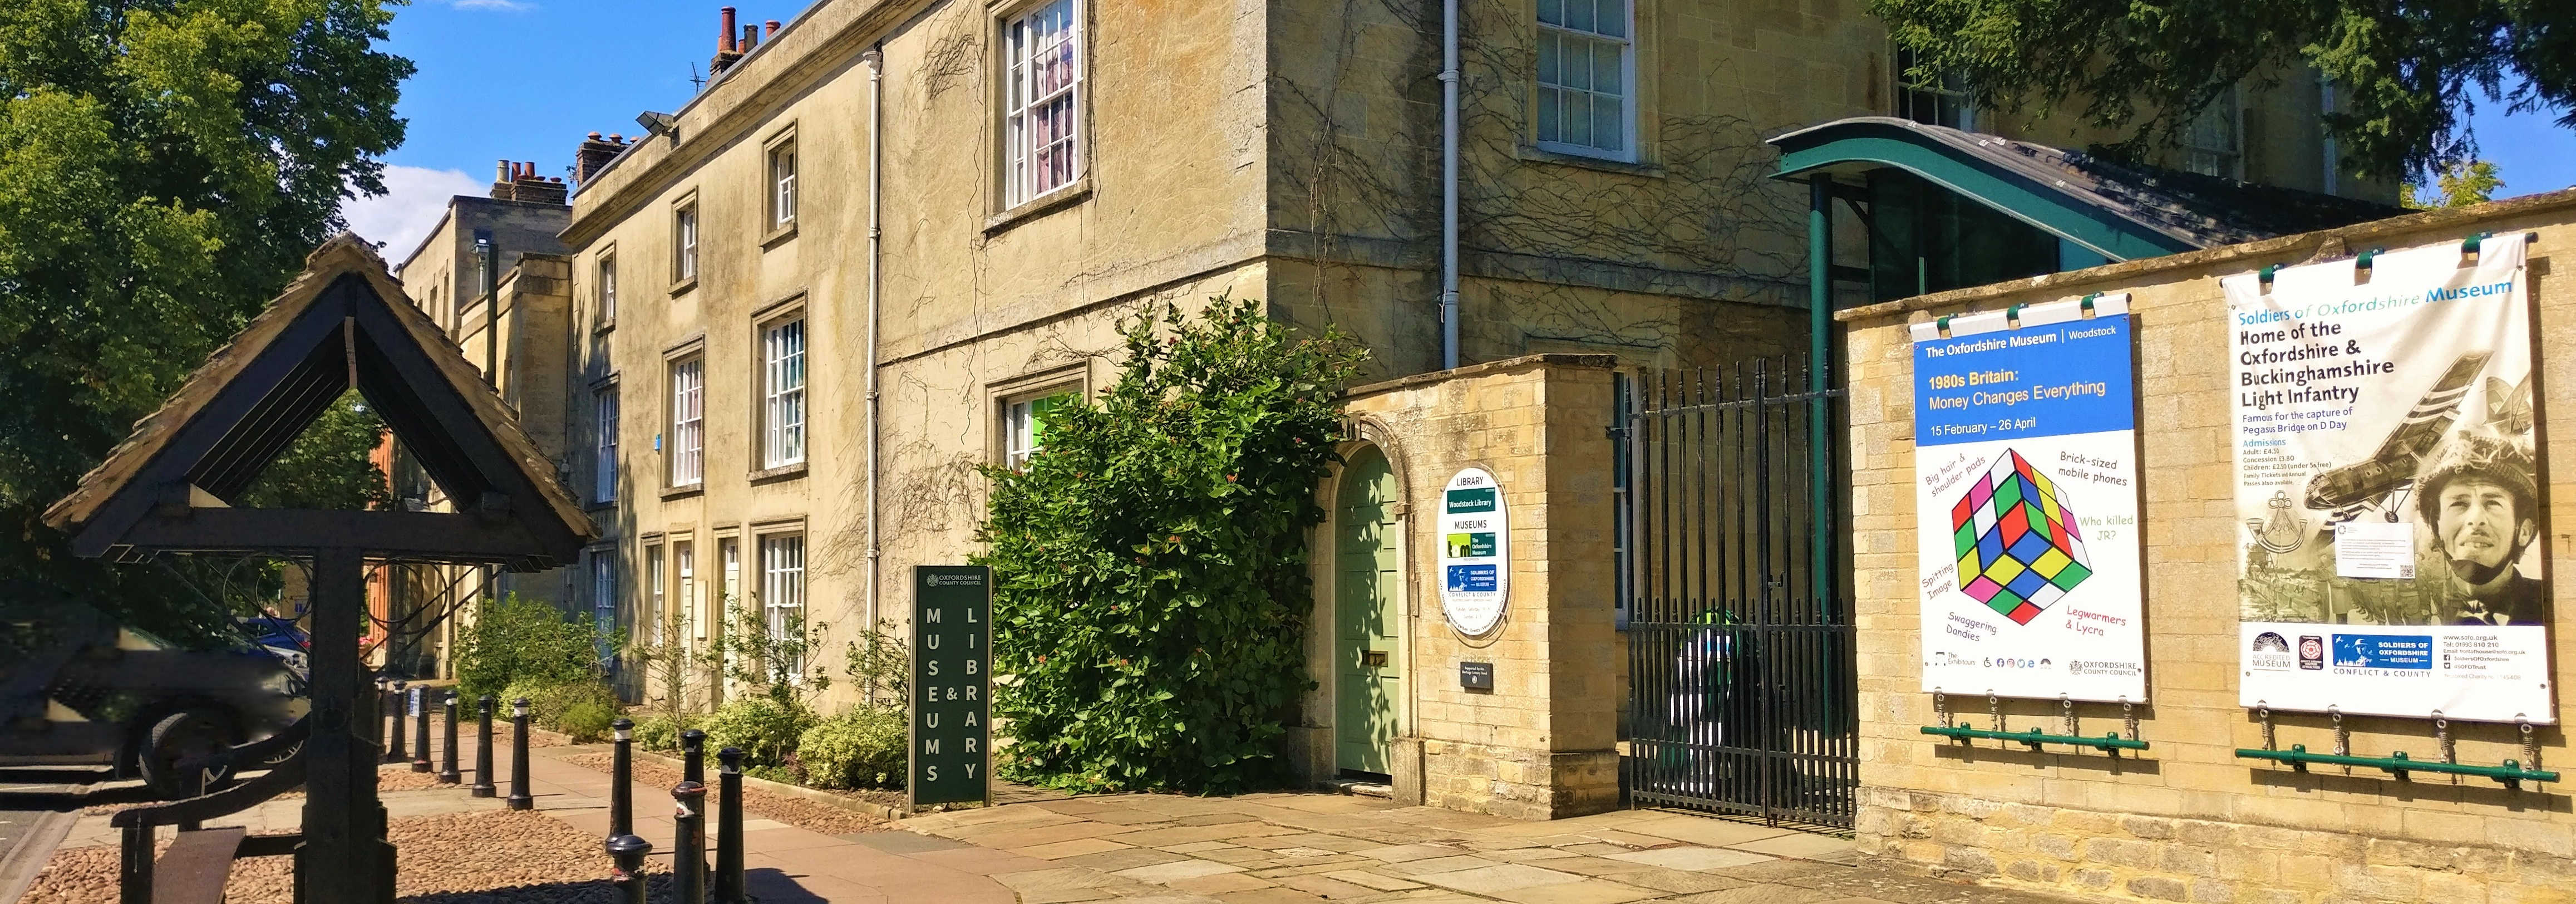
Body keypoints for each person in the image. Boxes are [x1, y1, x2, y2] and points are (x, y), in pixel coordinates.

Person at [2414, 434, 2547, 625]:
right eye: (2459, 504)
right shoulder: (2416, 608)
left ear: (2524, 532)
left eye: (2493, 503)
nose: (2476, 520)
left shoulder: (2548, 607)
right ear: (2436, 528)